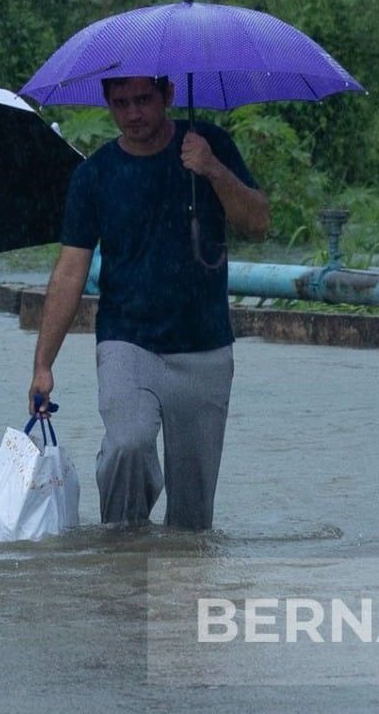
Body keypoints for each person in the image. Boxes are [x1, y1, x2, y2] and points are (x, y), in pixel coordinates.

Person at [27, 75, 269, 530]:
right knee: (128, 445)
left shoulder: (209, 144)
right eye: (121, 103)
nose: (133, 113)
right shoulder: (95, 174)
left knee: (192, 516)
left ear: (168, 95)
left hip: (204, 344)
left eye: (143, 100)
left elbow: (258, 222)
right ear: (107, 103)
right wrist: (43, 363)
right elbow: (70, 271)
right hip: (127, 339)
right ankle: (122, 555)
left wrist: (212, 169)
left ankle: (181, 571)